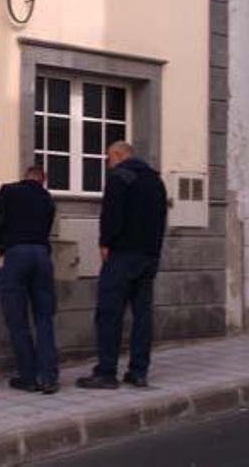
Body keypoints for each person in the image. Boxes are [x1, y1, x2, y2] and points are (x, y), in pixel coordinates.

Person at [77, 141, 167, 389]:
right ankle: (138, 372)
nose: (108, 163)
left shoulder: (120, 177)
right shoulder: (155, 181)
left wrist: (105, 243)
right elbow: (161, 220)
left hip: (123, 255)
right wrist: (154, 253)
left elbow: (111, 214)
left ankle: (106, 372)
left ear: (118, 155)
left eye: (108, 158)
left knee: (109, 313)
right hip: (148, 256)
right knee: (142, 316)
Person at [0, 166, 60, 394]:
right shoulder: (47, 198)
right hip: (41, 254)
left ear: (25, 176)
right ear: (43, 180)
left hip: (16, 254)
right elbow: (47, 227)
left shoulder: (9, 191)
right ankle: (48, 377)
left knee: (17, 319)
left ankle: (28, 377)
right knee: (44, 318)